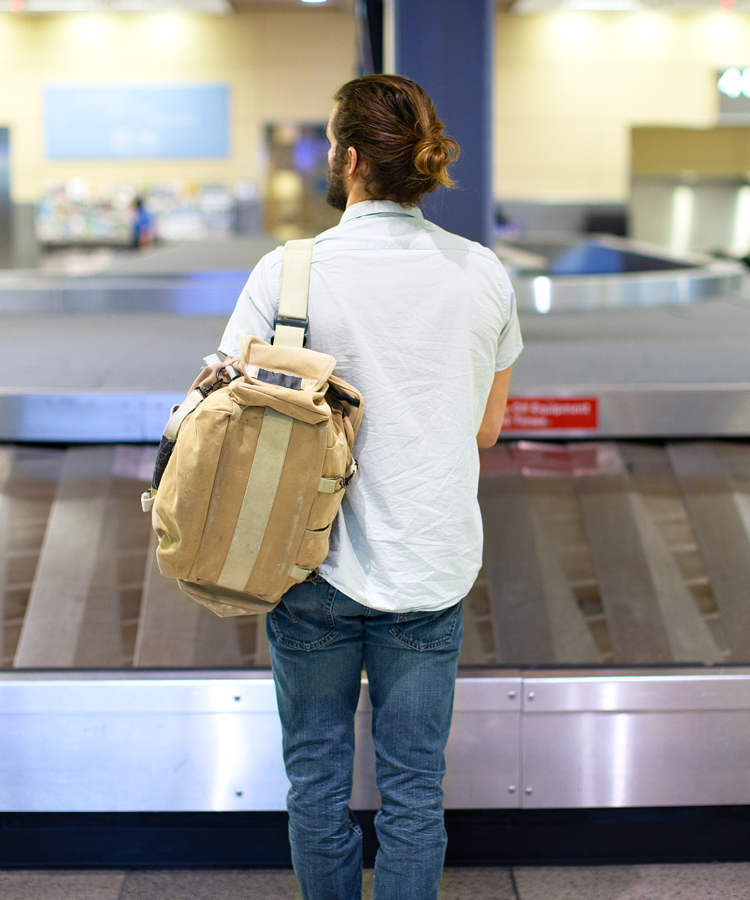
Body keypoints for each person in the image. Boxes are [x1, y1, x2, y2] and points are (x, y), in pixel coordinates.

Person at [215, 74, 521, 900]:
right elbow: (486, 428)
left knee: (316, 786)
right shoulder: (482, 272)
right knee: (415, 793)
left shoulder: (288, 273)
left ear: (349, 160)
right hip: (428, 568)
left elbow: (224, 411)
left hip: (308, 568)